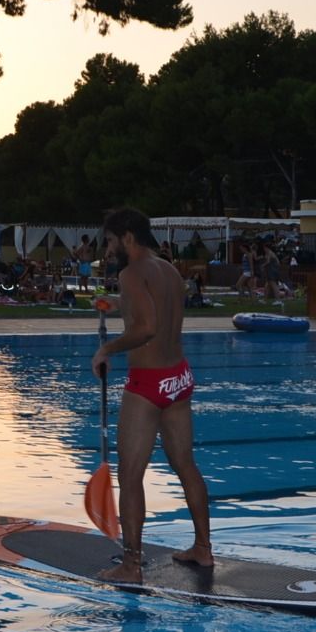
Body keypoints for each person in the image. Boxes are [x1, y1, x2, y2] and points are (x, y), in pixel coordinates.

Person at [89, 207, 211, 583]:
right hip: (178, 377)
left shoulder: (131, 273)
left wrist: (107, 350)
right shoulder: (170, 271)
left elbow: (145, 329)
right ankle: (203, 549)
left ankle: (131, 565)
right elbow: (160, 322)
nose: (108, 251)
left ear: (127, 237)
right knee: (185, 466)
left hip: (148, 385)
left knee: (130, 475)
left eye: (110, 241)